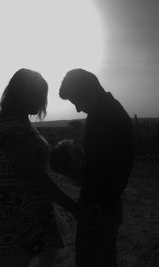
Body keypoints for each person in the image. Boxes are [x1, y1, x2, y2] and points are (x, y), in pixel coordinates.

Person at [0, 68, 78, 267]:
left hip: (32, 206)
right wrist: (71, 206)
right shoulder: (11, 126)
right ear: (22, 94)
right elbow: (34, 174)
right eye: (37, 95)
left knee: (48, 255)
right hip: (16, 209)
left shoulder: (20, 123)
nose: (41, 101)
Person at [59, 68, 134, 267]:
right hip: (112, 207)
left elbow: (96, 174)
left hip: (96, 211)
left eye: (75, 100)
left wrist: (66, 168)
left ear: (85, 90)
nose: (76, 109)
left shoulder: (100, 117)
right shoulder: (116, 110)